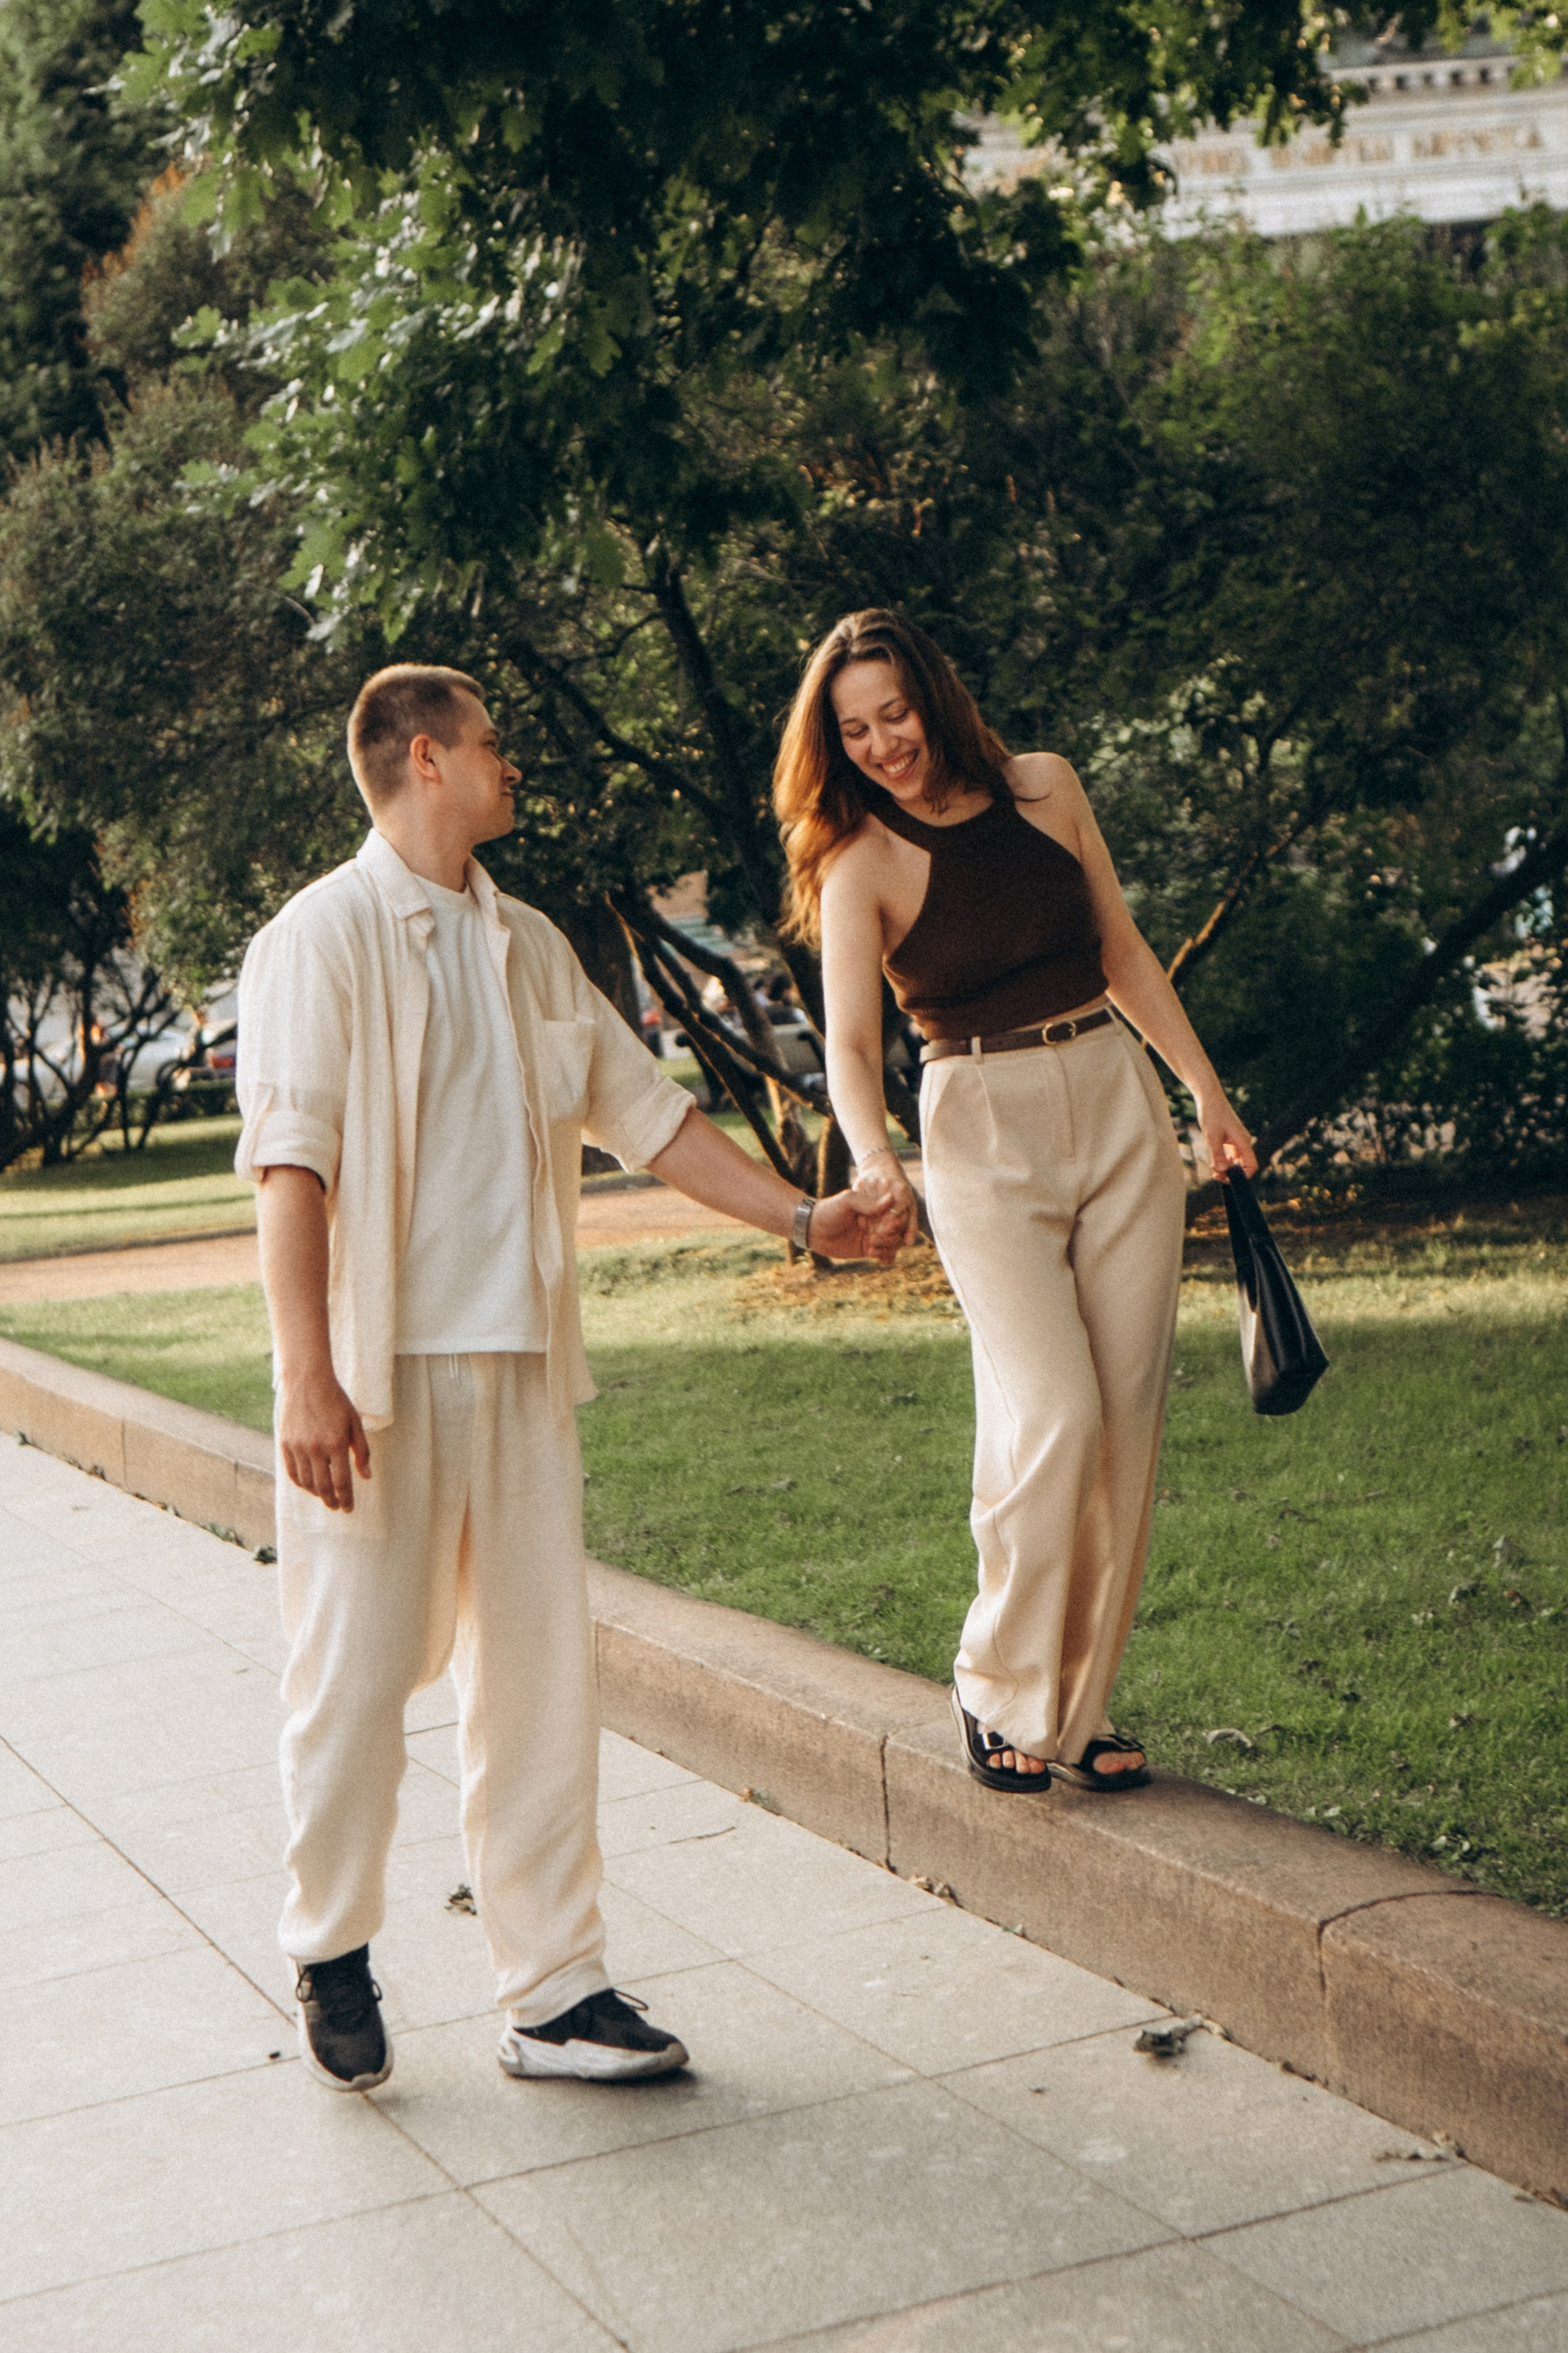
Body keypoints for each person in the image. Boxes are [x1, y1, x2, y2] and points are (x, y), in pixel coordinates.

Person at [237, 662, 899, 2094]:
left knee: (537, 1684)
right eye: (490, 743)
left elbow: (648, 1120)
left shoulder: (530, 944)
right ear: (424, 759)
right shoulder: (322, 938)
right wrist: (306, 1374)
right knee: (352, 1681)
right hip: (376, 1378)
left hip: (523, 1368)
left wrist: (802, 1218)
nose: (509, 763)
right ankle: (332, 1945)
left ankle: (555, 1987)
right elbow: (290, 1163)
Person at [774, 612, 1257, 1794]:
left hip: (1114, 1096)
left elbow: (1124, 951)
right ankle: (996, 1681)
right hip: (978, 1124)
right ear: (832, 743)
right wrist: (874, 1157)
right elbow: (847, 1041)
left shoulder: (1045, 789)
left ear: (934, 697)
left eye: (896, 712)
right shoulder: (856, 860)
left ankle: (1075, 1710)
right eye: (856, 727)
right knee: (1052, 1412)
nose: (884, 741)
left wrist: (1206, 1092)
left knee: (1126, 1416)